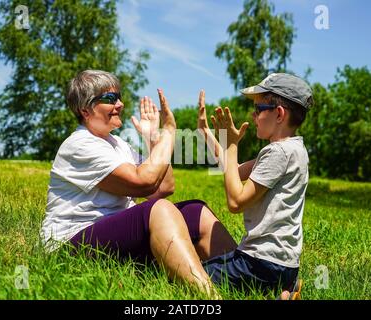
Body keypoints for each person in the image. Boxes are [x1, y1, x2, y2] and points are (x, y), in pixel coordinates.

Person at [40, 70, 237, 297]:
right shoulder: (80, 145)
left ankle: (245, 280)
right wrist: (169, 133)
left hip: (113, 237)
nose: (121, 104)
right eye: (110, 99)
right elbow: (144, 182)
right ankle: (209, 297)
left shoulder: (117, 144)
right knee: (160, 210)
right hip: (70, 247)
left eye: (119, 97)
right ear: (85, 110)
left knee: (195, 211)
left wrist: (153, 137)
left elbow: (163, 187)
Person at [197, 73, 313, 300]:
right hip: (284, 265)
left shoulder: (277, 153)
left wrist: (232, 145)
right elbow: (234, 169)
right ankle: (280, 291)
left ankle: (270, 288)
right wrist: (206, 132)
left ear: (279, 114)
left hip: (258, 264)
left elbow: (235, 202)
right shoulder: (294, 149)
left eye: (259, 109)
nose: (253, 115)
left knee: (188, 276)